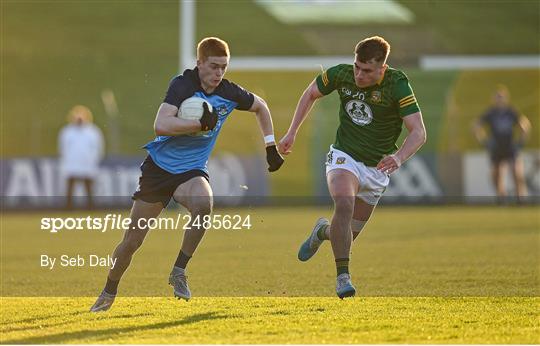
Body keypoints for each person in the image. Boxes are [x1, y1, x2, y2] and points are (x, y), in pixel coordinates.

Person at [90, 37, 284, 312]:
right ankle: (109, 290)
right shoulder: (182, 85)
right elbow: (161, 124)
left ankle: (179, 270)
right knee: (132, 242)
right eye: (214, 66)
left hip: (191, 170)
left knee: (204, 204)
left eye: (224, 67)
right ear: (199, 63)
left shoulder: (229, 92)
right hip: (158, 170)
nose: (219, 73)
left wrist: (270, 145)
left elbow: (261, 106)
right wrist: (197, 124)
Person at [278, 36, 426, 299]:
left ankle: (321, 232)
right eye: (357, 66)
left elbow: (418, 132)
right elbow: (311, 93)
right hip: (344, 156)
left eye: (367, 70)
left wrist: (400, 157)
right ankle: (342, 278)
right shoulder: (341, 74)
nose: (359, 74)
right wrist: (291, 133)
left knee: (343, 236)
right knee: (344, 202)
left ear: (383, 68)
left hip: (377, 169)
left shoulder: (397, 84)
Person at [472, 85, 531, 204]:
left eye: (501, 97)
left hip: (510, 146)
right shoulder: (491, 113)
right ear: (494, 99)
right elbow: (476, 126)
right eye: (497, 97)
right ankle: (501, 197)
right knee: (496, 175)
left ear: (506, 98)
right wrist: (484, 141)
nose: (499, 100)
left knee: (516, 173)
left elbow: (524, 125)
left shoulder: (511, 112)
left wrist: (520, 142)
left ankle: (520, 198)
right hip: (496, 148)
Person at [58, 105, 104, 210]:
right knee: (70, 187)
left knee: (89, 187)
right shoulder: (67, 131)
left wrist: (93, 160)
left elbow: (98, 148)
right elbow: (63, 148)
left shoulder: (93, 132)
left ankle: (91, 207)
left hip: (87, 164)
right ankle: (68, 207)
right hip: (71, 164)